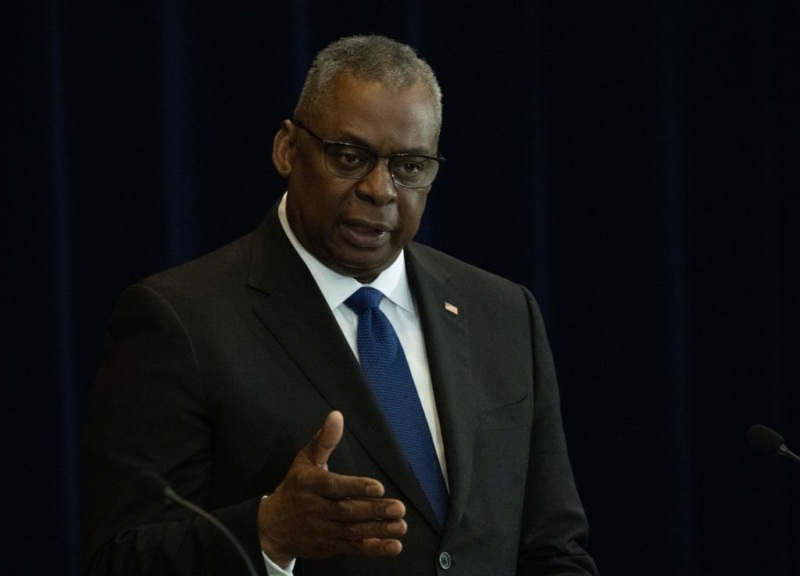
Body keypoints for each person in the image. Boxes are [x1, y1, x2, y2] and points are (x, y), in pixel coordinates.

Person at [83, 35, 598, 576]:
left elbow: (552, 549)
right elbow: (118, 558)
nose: (380, 190)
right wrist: (269, 532)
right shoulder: (179, 320)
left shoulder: (502, 312)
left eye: (410, 167)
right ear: (288, 149)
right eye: (349, 157)